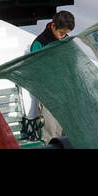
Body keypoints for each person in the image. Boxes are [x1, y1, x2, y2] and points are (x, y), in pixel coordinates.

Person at [23, 10, 75, 142]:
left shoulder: (65, 40)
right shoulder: (39, 43)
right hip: (48, 93)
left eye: (66, 34)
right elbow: (37, 69)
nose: (62, 37)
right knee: (50, 128)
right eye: (61, 33)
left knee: (66, 128)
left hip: (65, 91)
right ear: (53, 26)